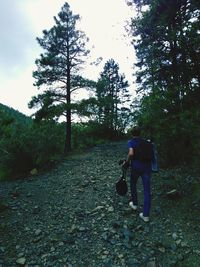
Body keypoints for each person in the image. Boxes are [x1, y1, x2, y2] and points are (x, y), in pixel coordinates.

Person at [123, 126, 153, 222]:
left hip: (136, 167)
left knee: (133, 184)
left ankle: (135, 204)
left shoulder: (131, 142)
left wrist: (127, 162)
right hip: (147, 168)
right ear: (140, 133)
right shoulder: (146, 142)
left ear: (132, 133)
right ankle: (146, 215)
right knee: (147, 191)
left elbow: (131, 153)